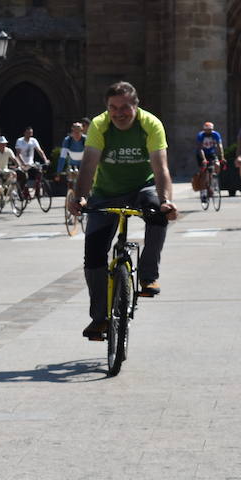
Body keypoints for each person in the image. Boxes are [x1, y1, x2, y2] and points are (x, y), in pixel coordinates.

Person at [68, 81, 177, 340]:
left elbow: (161, 169)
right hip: (106, 192)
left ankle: (148, 276)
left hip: (143, 188)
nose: (119, 113)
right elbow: (89, 165)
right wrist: (82, 198)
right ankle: (99, 319)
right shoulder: (99, 124)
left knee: (157, 213)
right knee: (93, 254)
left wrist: (166, 201)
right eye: (113, 108)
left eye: (125, 107)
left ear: (135, 106)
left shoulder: (151, 124)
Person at [0, 134, 23, 200]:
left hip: (4, 170)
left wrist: (18, 165)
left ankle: (12, 191)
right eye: (1, 144)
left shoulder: (8, 150)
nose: (3, 145)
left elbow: (14, 159)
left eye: (4, 144)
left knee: (14, 174)